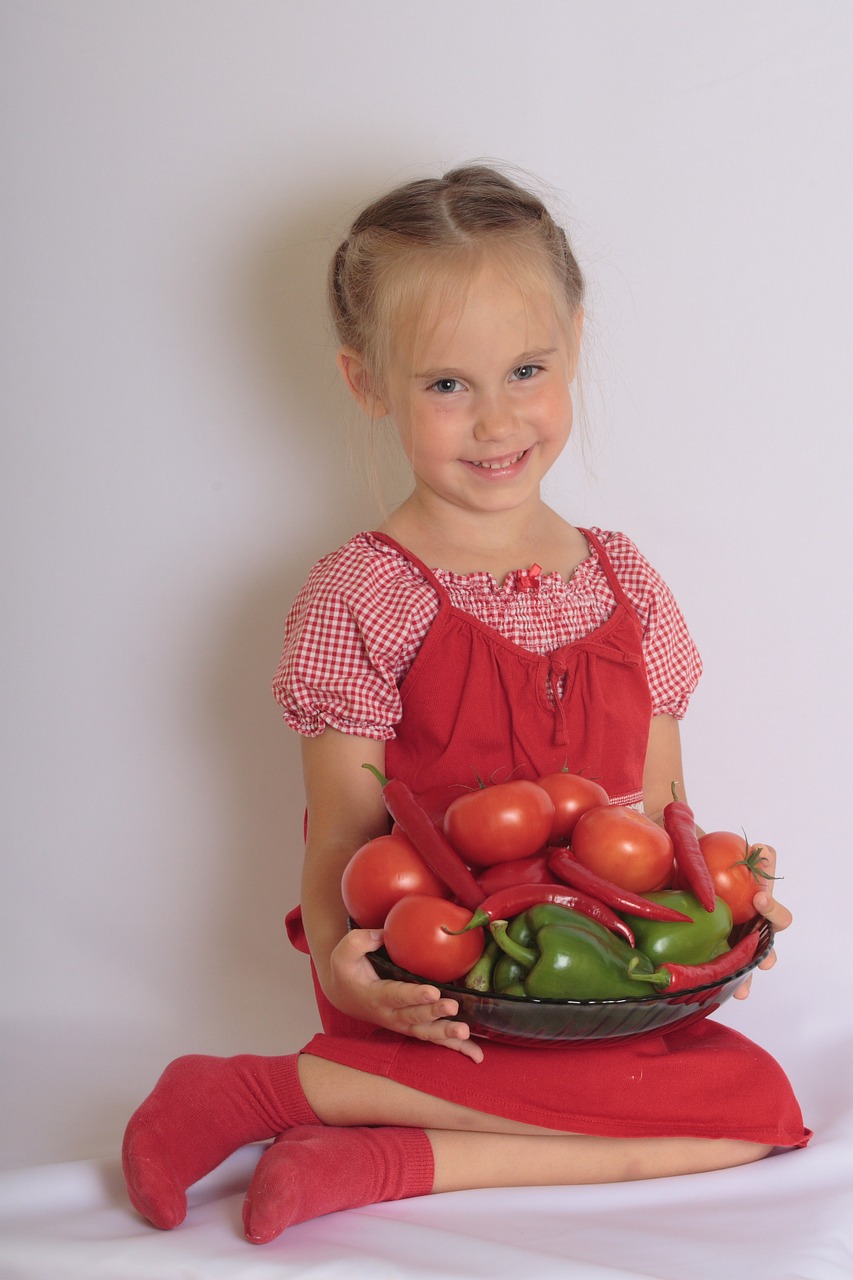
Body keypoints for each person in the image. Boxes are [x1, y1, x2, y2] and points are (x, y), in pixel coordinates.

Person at [122, 164, 810, 1245]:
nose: (495, 421)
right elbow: (343, 840)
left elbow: (665, 814)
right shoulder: (366, 588)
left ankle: (372, 1144)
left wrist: (726, 912)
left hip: (593, 987)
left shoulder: (626, 581)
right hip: (438, 994)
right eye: (446, 384)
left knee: (762, 1109)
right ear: (367, 382)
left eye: (525, 369)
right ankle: (258, 1089)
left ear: (573, 346)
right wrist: (354, 968)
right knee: (702, 1111)